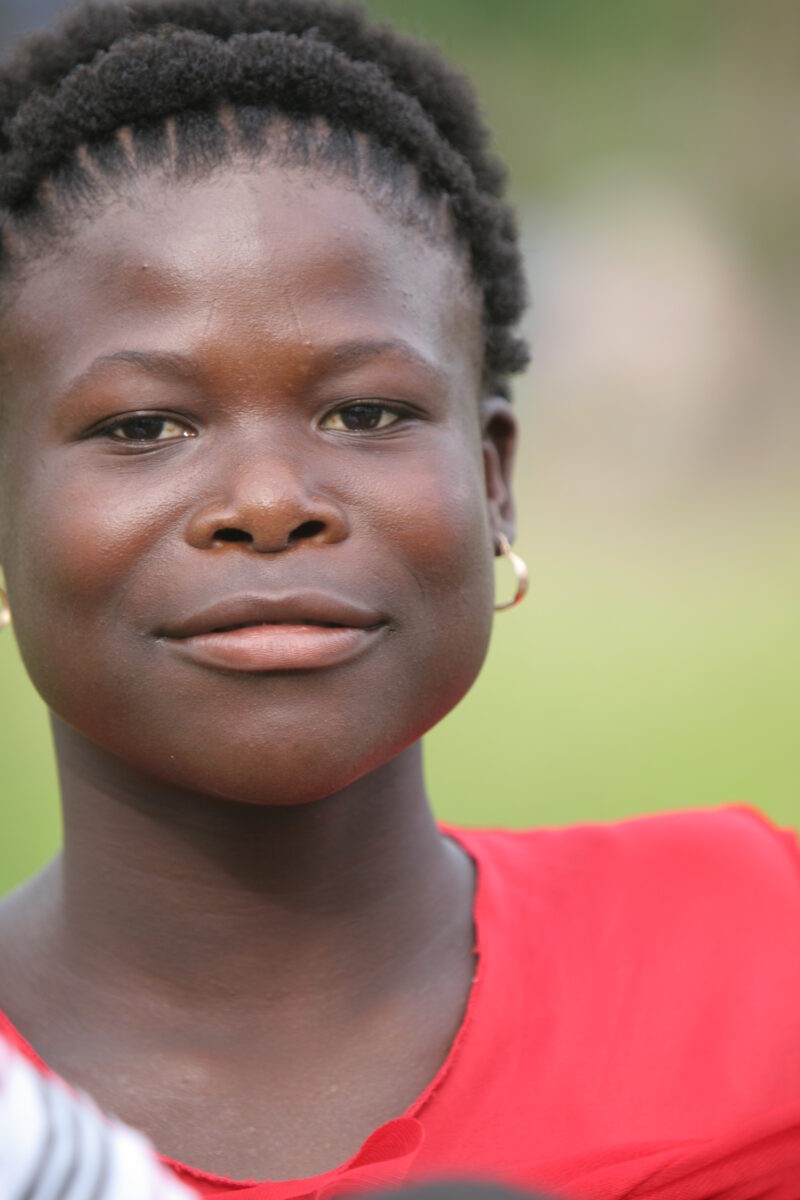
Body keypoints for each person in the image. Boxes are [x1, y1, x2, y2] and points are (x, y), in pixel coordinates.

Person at [0, 3, 799, 1198]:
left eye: (364, 412)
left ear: (492, 483)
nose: (269, 501)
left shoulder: (753, 960)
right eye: (144, 426)